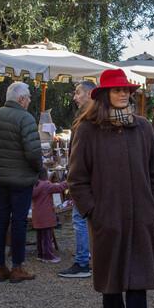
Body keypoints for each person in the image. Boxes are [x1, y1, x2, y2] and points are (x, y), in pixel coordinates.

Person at [67, 68, 154, 308]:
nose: (123, 94)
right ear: (105, 94)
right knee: (111, 278)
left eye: (126, 90)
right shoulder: (88, 129)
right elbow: (77, 179)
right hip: (107, 218)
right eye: (118, 90)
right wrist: (93, 212)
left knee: (138, 279)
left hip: (142, 216)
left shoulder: (143, 127)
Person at [0, 82, 42, 283]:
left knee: (1, 220)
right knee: (19, 222)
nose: (30, 100)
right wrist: (39, 169)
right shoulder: (25, 118)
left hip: (0, 177)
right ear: (21, 99)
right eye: (29, 97)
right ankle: (17, 267)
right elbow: (33, 152)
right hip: (21, 179)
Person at [58, 81, 95, 279]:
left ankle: (82, 262)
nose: (75, 97)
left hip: (86, 178)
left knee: (79, 218)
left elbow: (83, 153)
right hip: (90, 176)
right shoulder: (91, 116)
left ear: (90, 94)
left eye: (78, 93)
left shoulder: (89, 119)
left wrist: (75, 176)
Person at [31, 169, 67, 264]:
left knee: (40, 236)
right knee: (47, 237)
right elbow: (59, 187)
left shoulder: (34, 185)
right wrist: (68, 181)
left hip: (37, 216)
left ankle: (40, 255)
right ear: (46, 175)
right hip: (46, 216)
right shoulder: (46, 185)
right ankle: (48, 256)